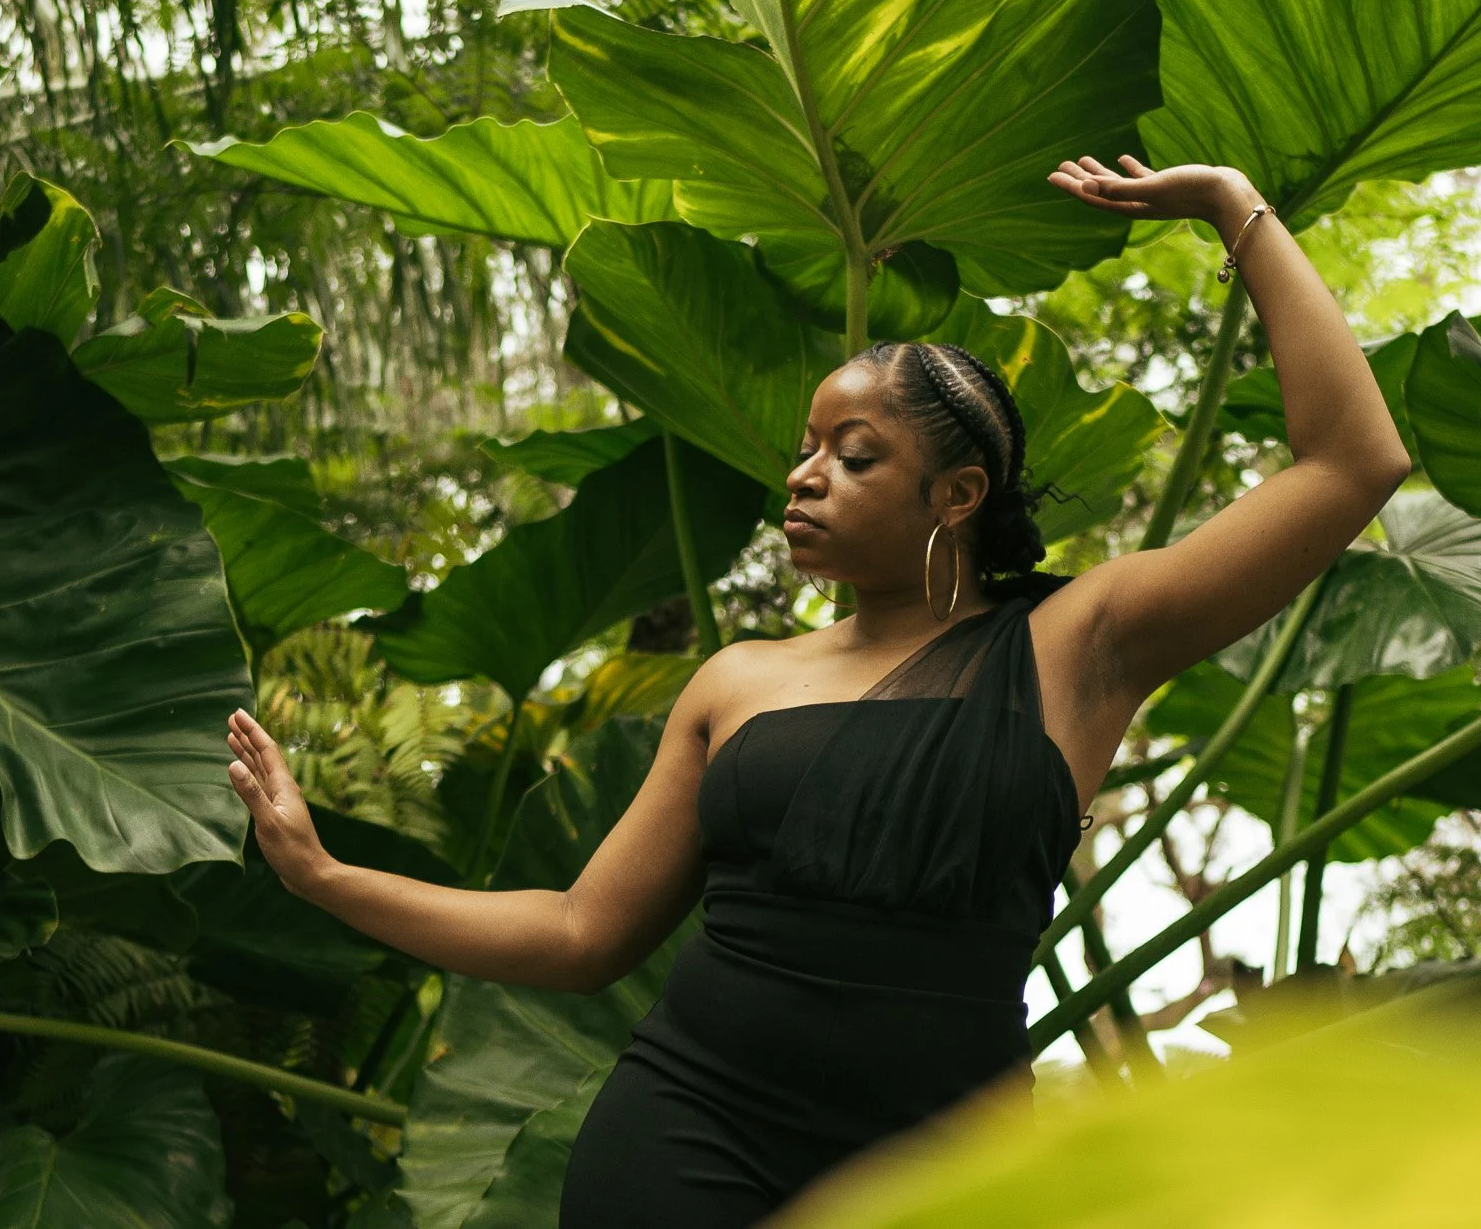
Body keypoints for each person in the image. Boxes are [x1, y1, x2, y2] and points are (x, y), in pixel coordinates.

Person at [225, 154, 1410, 1227]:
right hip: (685, 1134)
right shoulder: (738, 680)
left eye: (852, 455)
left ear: (954, 495)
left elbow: (1351, 461)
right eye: (804, 447)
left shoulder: (1076, 642)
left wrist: (1226, 202)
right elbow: (583, 932)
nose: (802, 475)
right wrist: (323, 873)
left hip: (944, 1166)